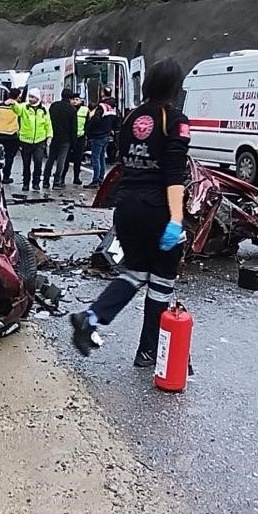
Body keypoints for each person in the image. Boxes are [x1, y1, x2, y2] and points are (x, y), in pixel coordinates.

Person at [70, 59, 190, 367]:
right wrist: (176, 219)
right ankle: (148, 350)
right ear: (175, 87)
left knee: (136, 271)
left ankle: (91, 317)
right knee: (162, 281)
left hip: (125, 208)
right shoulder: (174, 120)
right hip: (157, 211)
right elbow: (173, 175)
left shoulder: (130, 118)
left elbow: (124, 162)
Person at [12, 87, 53, 192]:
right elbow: (17, 109)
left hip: (39, 141)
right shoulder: (24, 107)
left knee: (38, 163)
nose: (30, 99)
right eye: (29, 96)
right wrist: (12, 102)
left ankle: (36, 183)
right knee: (26, 164)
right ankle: (26, 183)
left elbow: (48, 124)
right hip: (25, 140)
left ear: (37, 98)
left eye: (33, 97)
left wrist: (49, 136)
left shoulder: (43, 109)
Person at [43, 87, 77, 190]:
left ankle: (45, 180)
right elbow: (73, 128)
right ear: (70, 98)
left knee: (50, 159)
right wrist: (73, 143)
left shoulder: (54, 106)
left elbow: (48, 120)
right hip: (65, 139)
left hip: (53, 136)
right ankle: (57, 181)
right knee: (61, 160)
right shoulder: (72, 110)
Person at [85, 86, 118, 188]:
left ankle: (95, 180)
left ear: (102, 93)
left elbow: (96, 120)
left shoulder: (102, 106)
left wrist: (88, 129)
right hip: (106, 135)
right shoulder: (112, 107)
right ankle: (101, 179)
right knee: (102, 158)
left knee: (95, 158)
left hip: (98, 135)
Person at [0, 86, 21, 184]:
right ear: (17, 96)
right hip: (11, 135)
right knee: (9, 157)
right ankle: (6, 176)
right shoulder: (17, 107)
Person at [71, 94, 88, 185]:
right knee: (67, 159)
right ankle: (61, 178)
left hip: (80, 137)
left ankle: (76, 177)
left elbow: (88, 122)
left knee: (78, 159)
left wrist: (85, 133)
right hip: (70, 137)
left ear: (80, 101)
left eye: (77, 99)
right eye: (73, 99)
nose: (75, 101)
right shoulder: (69, 109)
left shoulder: (85, 110)